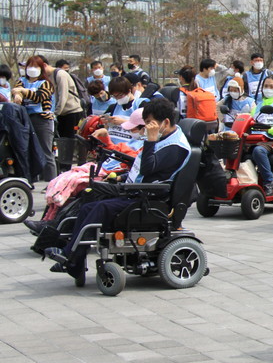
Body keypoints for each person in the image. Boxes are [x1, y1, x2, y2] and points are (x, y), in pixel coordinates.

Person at [43, 99, 192, 285]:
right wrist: (121, 178)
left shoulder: (176, 147)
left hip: (148, 198)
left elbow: (147, 169)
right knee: (88, 199)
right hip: (136, 191)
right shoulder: (165, 139)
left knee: (100, 208)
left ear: (165, 123)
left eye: (149, 123)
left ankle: (70, 258)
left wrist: (151, 140)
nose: (146, 127)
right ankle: (73, 260)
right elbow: (142, 169)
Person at [11, 55, 57, 180]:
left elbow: (38, 97)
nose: (32, 69)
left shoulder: (46, 83)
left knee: (46, 151)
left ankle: (51, 181)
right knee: (27, 150)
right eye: (30, 66)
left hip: (42, 119)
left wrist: (22, 92)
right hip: (25, 118)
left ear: (41, 68)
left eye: (35, 66)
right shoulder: (22, 81)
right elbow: (15, 90)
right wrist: (17, 94)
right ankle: (29, 179)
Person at [50, 58, 86, 168]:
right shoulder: (54, 77)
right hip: (63, 113)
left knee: (70, 140)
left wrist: (56, 112)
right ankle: (63, 164)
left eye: (67, 69)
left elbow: (63, 96)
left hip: (72, 112)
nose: (66, 71)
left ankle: (67, 166)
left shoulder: (62, 76)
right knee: (63, 139)